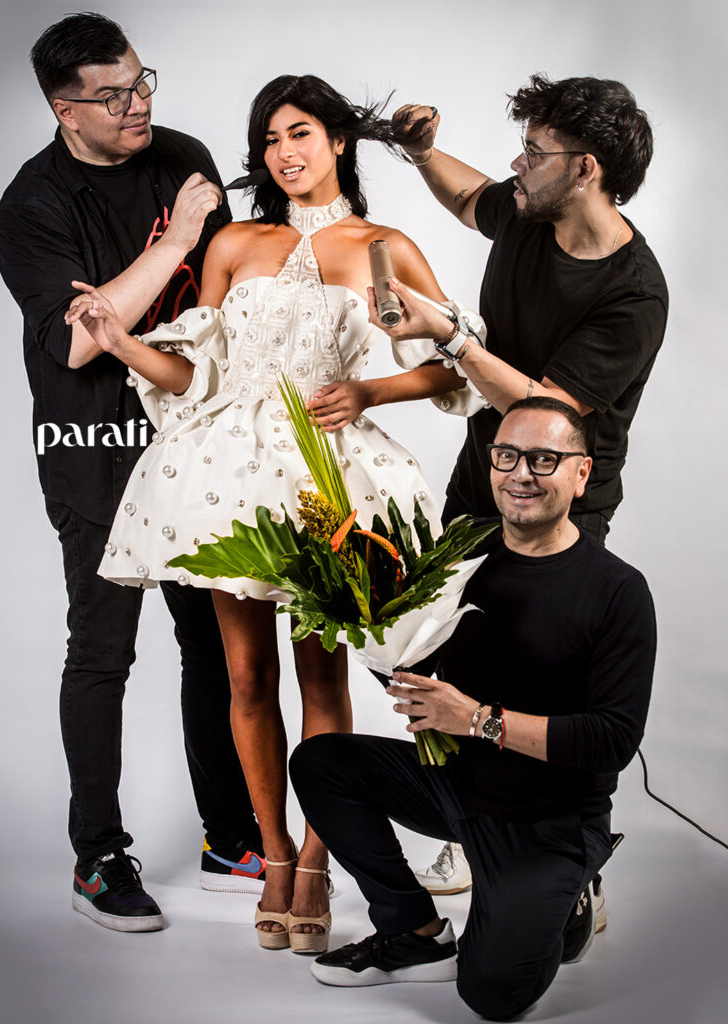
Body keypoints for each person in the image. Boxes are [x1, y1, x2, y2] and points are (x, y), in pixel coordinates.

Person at [65, 74, 479, 953]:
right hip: (229, 478)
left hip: (328, 477)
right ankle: (277, 855)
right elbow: (197, 378)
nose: (283, 153)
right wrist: (120, 341)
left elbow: (453, 363)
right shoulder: (234, 242)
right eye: (268, 138)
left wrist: (368, 390)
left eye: (300, 133)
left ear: (337, 140)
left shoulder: (383, 246)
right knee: (245, 678)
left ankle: (322, 863)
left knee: (322, 679)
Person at [0, 13, 263, 933]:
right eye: (111, 96)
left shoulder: (178, 155)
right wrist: (176, 240)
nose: (137, 104)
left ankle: (230, 837)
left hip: (192, 438)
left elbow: (225, 303)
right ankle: (98, 857)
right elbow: (79, 343)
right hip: (93, 449)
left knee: (211, 642)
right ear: (63, 110)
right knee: (103, 651)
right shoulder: (33, 205)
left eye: (142, 81)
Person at [378, 73, 668, 894]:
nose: (516, 164)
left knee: (539, 674)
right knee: (438, 643)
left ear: (584, 169)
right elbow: (468, 197)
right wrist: (423, 154)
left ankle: (573, 861)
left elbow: (544, 418)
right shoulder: (527, 210)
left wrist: (449, 337)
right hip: (482, 480)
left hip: (562, 501)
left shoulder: (632, 294)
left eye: (534, 152)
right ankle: (470, 823)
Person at [290, 397, 656, 1019]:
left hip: (550, 819)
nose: (520, 474)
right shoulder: (462, 557)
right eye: (506, 456)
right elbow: (415, 668)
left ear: (582, 473)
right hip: (455, 786)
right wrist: (367, 618)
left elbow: (612, 740)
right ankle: (413, 932)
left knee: (493, 996)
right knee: (321, 762)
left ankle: (571, 891)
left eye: (543, 459)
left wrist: (478, 720)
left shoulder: (617, 590)